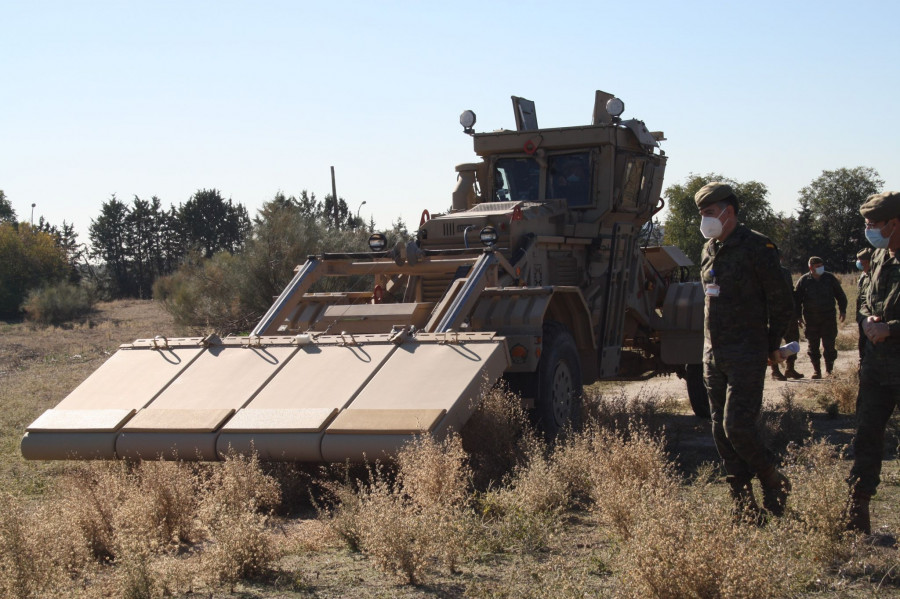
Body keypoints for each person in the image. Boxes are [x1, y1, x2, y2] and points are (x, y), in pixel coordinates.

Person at [695, 182, 795, 521]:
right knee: (719, 432)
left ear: (729, 212)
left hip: (747, 352)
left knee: (737, 424)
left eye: (710, 213)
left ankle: (772, 477)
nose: (705, 219)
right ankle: (743, 504)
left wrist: (770, 345)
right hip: (714, 354)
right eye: (702, 214)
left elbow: (782, 301)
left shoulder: (758, 246)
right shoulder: (708, 249)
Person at [847, 191, 900, 535]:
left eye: (874, 224)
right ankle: (856, 512)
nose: (869, 230)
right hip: (878, 369)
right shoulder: (880, 257)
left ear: (894, 223)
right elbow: (866, 296)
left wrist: (891, 329)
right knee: (866, 437)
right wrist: (867, 320)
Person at [794, 256, 848, 378]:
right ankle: (816, 371)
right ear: (811, 267)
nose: (820, 268)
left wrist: (843, 310)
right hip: (811, 320)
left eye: (821, 265)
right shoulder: (803, 280)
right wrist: (798, 316)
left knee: (829, 345)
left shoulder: (829, 278)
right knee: (813, 346)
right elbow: (797, 301)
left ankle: (829, 370)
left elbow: (840, 295)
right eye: (817, 266)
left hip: (828, 318)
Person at [771, 254, 804, 380]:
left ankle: (790, 369)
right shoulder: (763, 272)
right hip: (773, 314)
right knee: (774, 342)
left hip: (788, 313)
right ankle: (775, 371)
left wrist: (796, 313)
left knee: (793, 340)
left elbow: (790, 292)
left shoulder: (785, 272)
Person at [855, 248, 873, 365]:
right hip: (862, 317)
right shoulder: (863, 275)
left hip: (871, 317)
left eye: (861, 261)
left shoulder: (875, 275)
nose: (859, 263)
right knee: (862, 344)